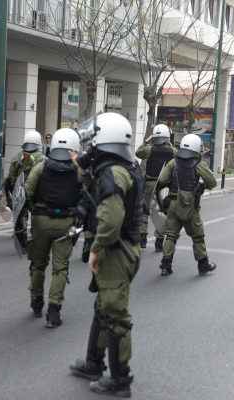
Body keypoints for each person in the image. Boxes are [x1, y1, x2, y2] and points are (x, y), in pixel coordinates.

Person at [68, 113, 143, 397]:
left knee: (115, 315)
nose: (90, 148)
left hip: (115, 250)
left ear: (105, 139)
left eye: (93, 142)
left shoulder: (113, 172)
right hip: (121, 249)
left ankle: (120, 379)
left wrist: (95, 250)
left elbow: (110, 222)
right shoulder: (123, 166)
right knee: (104, 309)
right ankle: (93, 363)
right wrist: (85, 170)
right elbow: (93, 194)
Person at [24, 128, 82, 328]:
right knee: (60, 268)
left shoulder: (42, 166)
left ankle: (36, 301)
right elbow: (89, 194)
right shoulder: (78, 170)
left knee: (38, 264)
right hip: (66, 224)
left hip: (41, 221)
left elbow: (26, 192)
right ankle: (54, 312)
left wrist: (34, 212)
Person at [156, 134, 217, 276]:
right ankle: (203, 265)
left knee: (171, 236)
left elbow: (163, 181)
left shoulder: (173, 163)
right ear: (197, 148)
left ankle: (166, 265)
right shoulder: (199, 164)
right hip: (189, 205)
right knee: (197, 236)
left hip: (172, 203)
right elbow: (212, 183)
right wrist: (200, 186)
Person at [135, 124, 177, 251]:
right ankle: (159, 241)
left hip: (150, 184)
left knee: (145, 210)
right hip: (165, 186)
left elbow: (138, 152)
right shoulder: (173, 151)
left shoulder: (149, 149)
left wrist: (146, 141)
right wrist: (171, 145)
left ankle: (143, 238)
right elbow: (179, 158)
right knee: (163, 212)